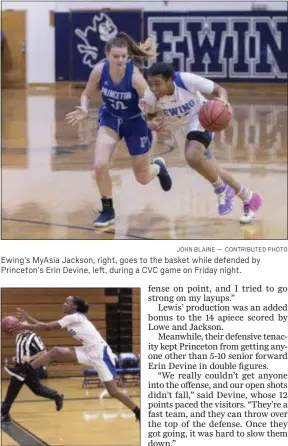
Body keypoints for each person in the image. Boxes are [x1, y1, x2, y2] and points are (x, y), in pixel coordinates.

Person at [66, 32, 172, 227]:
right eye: (116, 56)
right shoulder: (99, 71)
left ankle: (158, 167)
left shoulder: (135, 78)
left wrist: (152, 122)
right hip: (111, 119)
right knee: (99, 165)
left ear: (128, 57)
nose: (120, 60)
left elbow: (153, 104)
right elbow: (86, 93)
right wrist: (83, 107)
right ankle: (108, 210)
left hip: (135, 122)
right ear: (107, 55)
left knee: (142, 178)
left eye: (123, 56)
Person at [142, 62, 262, 223]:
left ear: (170, 80)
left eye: (158, 84)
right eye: (151, 85)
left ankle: (221, 190)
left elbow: (220, 90)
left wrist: (223, 101)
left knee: (192, 156)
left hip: (200, 119)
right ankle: (249, 197)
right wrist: (151, 123)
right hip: (179, 128)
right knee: (211, 168)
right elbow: (149, 116)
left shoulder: (185, 80)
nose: (154, 88)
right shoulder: (151, 96)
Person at [15, 296, 140, 422]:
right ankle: (25, 370)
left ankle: (137, 411)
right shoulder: (71, 318)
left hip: (100, 354)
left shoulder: (74, 317)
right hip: (88, 350)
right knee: (55, 351)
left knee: (113, 391)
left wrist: (24, 326)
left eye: (67, 302)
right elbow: (45, 326)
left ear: (74, 306)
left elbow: (47, 327)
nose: (64, 304)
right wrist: (28, 318)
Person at [2, 326, 63, 423]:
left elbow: (44, 352)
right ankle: (4, 414)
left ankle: (57, 396)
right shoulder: (18, 336)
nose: (15, 331)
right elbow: (22, 352)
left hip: (30, 368)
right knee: (12, 390)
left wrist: (30, 358)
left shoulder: (34, 337)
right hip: (19, 367)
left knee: (37, 390)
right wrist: (17, 357)